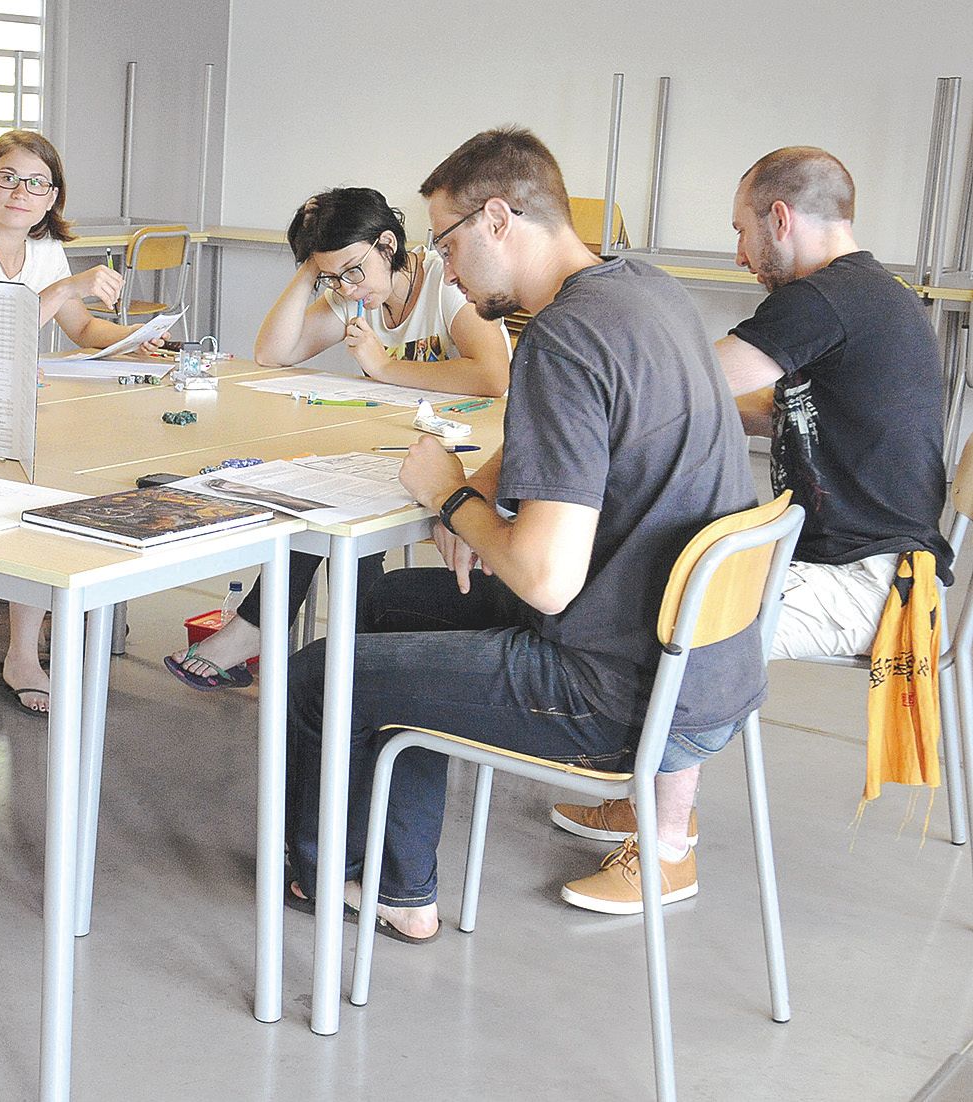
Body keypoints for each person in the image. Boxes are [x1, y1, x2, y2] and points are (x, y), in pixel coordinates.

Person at [284, 127, 763, 943]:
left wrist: (448, 499)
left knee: (320, 676)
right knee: (393, 606)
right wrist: (481, 484)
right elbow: (576, 433)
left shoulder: (561, 341)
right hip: (696, 664)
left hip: (615, 687)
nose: (451, 273)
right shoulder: (642, 290)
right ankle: (404, 883)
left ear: (498, 218)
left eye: (448, 242)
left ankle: (334, 877)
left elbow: (544, 579)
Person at [550, 146, 952, 910]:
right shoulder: (868, 297)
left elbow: (679, 384)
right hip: (866, 562)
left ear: (780, 217)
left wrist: (592, 386)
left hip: (871, 584)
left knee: (692, 617)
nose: (740, 256)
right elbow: (765, 406)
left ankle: (668, 847)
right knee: (667, 579)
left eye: (741, 232)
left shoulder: (823, 300)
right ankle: (644, 792)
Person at [163, 187, 511, 690]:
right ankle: (346, 645)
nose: (345, 289)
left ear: (387, 245)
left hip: (474, 450)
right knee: (322, 491)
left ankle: (276, 632)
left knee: (333, 499)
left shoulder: (443, 281)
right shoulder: (354, 293)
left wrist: (387, 367)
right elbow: (273, 353)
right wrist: (310, 270)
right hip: (403, 443)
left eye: (352, 271)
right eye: (333, 277)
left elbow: (493, 375)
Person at [0, 129, 154, 714]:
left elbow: (82, 329)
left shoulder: (45, 249)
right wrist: (66, 286)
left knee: (65, 477)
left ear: (52, 197)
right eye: (7, 178)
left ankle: (34, 640)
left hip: (15, 406)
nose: (20, 192)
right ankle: (23, 653)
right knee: (36, 487)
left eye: (36, 183)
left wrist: (138, 340)